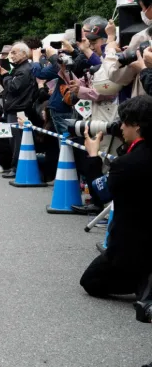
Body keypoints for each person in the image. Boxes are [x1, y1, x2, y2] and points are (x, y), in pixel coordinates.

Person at [79, 95, 152, 301]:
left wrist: (93, 156)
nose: (120, 128)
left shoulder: (127, 163)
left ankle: (142, 282)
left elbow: (101, 193)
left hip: (131, 246)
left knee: (90, 281)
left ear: (136, 126)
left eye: (124, 123)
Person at [0, 42, 38, 178]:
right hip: (13, 107)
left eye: (14, 52)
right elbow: (7, 83)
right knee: (12, 139)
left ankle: (17, 167)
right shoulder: (18, 68)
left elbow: (13, 87)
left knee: (18, 140)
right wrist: (4, 74)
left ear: (24, 54)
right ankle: (14, 166)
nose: (11, 56)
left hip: (20, 109)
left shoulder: (25, 69)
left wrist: (6, 75)